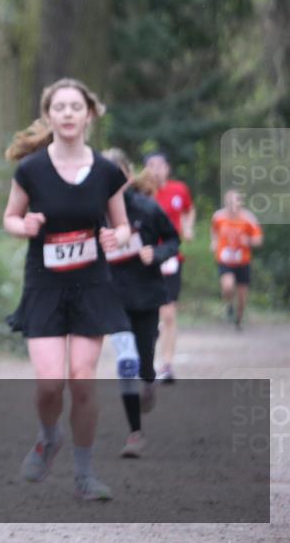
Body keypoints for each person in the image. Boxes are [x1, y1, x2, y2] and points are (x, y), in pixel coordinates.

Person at [3, 78, 131, 502]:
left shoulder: (108, 172)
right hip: (45, 285)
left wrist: (118, 238)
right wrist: (25, 226)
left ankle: (84, 474)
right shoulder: (32, 170)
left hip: (91, 284)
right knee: (49, 383)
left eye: (77, 106)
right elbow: (10, 218)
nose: (69, 114)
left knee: (82, 381)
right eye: (60, 107)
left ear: (89, 114)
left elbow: (123, 225)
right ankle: (47, 437)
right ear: (49, 115)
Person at [102, 149, 180, 458]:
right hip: (110, 299)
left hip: (146, 295)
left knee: (144, 364)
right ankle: (135, 433)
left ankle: (149, 381)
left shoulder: (147, 209)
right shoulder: (94, 215)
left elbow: (173, 241)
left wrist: (156, 254)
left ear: (129, 177)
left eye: (115, 175)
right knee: (127, 362)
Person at [144, 152, 194, 383]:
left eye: (160, 165)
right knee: (148, 314)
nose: (155, 170)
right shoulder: (142, 194)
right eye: (151, 166)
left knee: (169, 313)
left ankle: (166, 365)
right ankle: (145, 358)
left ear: (168, 168)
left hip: (172, 258)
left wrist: (188, 227)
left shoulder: (179, 189)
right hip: (146, 258)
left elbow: (189, 209)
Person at [211, 189, 263, 330]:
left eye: (237, 201)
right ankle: (229, 305)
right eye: (231, 202)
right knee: (227, 286)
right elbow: (214, 232)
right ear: (226, 203)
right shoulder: (218, 217)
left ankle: (238, 320)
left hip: (243, 261)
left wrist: (249, 241)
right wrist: (214, 243)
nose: (234, 205)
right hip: (225, 259)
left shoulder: (248, 218)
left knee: (242, 298)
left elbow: (258, 240)